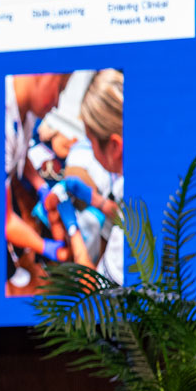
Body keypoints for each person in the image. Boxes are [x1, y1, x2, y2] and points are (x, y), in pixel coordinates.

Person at [43, 69, 124, 281]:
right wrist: (97, 201)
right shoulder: (123, 185)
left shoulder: (121, 247)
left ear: (114, 147)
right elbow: (125, 216)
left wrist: (73, 231)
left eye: (90, 140)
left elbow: (95, 289)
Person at [4, 72, 71, 289]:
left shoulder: (28, 113)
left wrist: (41, 187)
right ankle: (9, 271)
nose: (57, 103)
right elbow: (5, 221)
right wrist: (46, 247)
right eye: (60, 89)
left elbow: (21, 157)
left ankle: (18, 253)